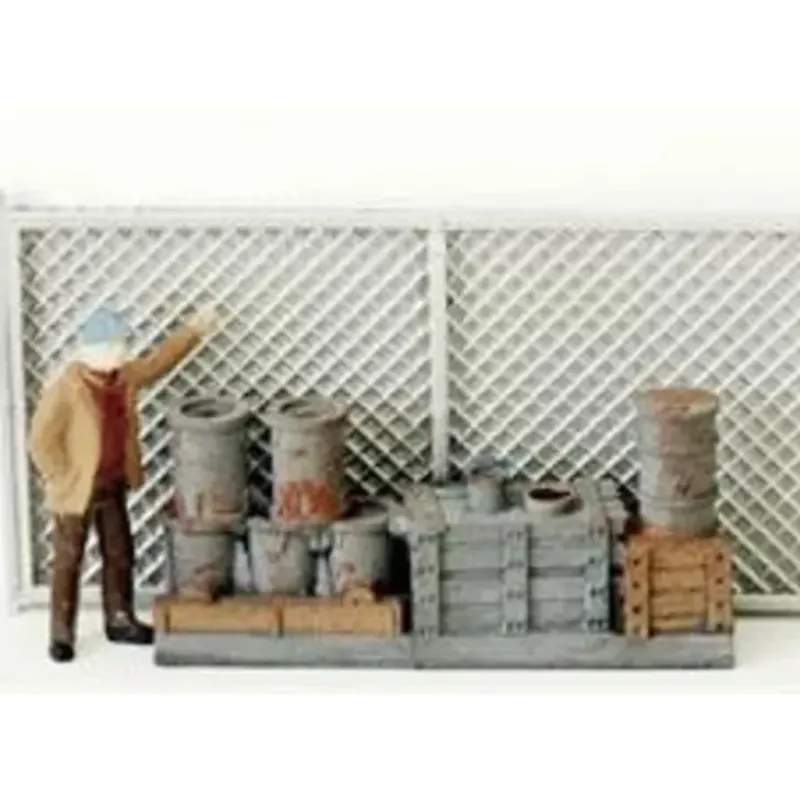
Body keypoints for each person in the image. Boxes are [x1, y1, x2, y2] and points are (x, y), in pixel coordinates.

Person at [28, 305, 219, 662]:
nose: (122, 352)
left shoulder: (125, 376)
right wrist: (61, 477)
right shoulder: (67, 388)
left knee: (120, 553)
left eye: (122, 346)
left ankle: (119, 619)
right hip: (77, 491)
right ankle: (61, 634)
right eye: (115, 346)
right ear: (94, 350)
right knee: (68, 560)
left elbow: (158, 363)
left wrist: (193, 331)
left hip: (112, 482)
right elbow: (41, 440)